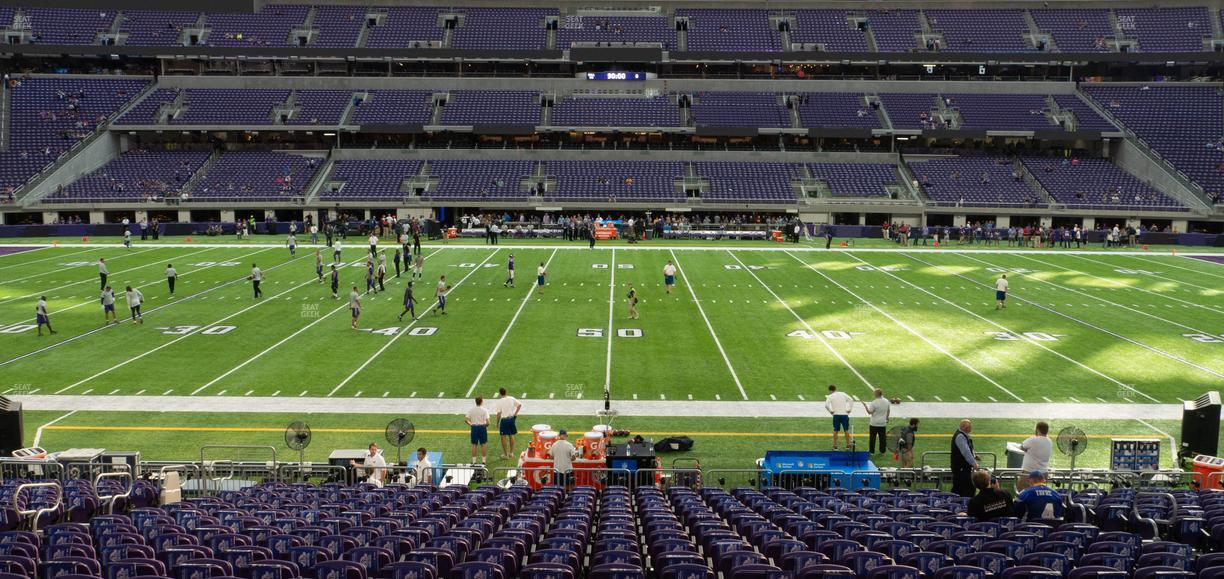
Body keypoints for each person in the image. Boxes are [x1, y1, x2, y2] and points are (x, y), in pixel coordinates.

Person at [1017, 421, 1053, 490]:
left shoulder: (1033, 439)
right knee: (1039, 495)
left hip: (1029, 472)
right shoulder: (1049, 441)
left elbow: (1022, 447)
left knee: (1022, 493)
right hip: (1043, 473)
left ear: (1037, 429)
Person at [951, 419, 979, 497]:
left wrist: (975, 455)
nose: (971, 428)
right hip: (961, 469)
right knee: (967, 489)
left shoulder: (962, 435)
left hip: (960, 469)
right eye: (969, 426)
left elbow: (967, 448)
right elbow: (965, 452)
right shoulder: (960, 436)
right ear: (965, 427)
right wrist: (974, 464)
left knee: (958, 489)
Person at [494, 387, 523, 460]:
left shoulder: (499, 401)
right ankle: (511, 453)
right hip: (511, 419)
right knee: (511, 435)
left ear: (500, 393)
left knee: (503, 437)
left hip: (504, 420)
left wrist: (497, 423)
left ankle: (505, 454)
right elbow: (519, 405)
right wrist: (515, 414)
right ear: (506, 392)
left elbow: (498, 414)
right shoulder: (511, 398)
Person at [825, 384, 854, 450]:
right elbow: (851, 400)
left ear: (830, 390)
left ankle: (835, 445)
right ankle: (848, 444)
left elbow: (826, 405)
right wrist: (849, 409)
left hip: (836, 415)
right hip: (844, 414)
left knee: (836, 430)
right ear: (835, 389)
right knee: (846, 430)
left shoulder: (830, 396)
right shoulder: (843, 393)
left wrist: (830, 411)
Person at [863, 389, 890, 456]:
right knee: (882, 438)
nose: (874, 394)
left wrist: (865, 406)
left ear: (877, 394)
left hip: (874, 423)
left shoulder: (874, 402)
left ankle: (872, 451)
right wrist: (886, 418)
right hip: (882, 423)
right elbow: (888, 410)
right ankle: (882, 451)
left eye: (874, 393)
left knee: (872, 438)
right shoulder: (886, 401)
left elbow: (869, 412)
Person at [465, 396, 490, 465]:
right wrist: (485, 426)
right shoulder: (484, 410)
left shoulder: (471, 410)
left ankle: (474, 461)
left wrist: (471, 424)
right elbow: (488, 422)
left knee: (474, 445)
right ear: (481, 401)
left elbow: (466, 419)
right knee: (483, 444)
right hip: (482, 427)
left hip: (474, 427)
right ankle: (483, 461)